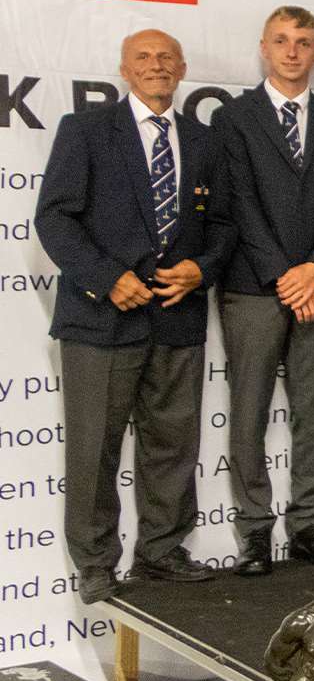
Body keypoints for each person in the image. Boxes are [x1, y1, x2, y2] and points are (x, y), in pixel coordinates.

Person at [35, 30, 232, 603]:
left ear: (183, 68)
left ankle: (162, 551)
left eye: (166, 57)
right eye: (144, 57)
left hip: (177, 318)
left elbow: (223, 225)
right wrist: (105, 278)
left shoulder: (203, 141)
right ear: (124, 69)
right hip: (101, 322)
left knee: (173, 444)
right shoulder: (87, 131)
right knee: (95, 445)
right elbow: (54, 219)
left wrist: (202, 268)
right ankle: (96, 562)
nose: (156, 66)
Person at [214, 6, 314, 577]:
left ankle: (305, 526)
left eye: (303, 42)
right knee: (248, 412)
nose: (292, 50)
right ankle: (253, 533)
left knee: (313, 414)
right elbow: (240, 205)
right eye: (281, 40)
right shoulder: (234, 119)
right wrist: (284, 275)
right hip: (254, 287)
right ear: (264, 48)